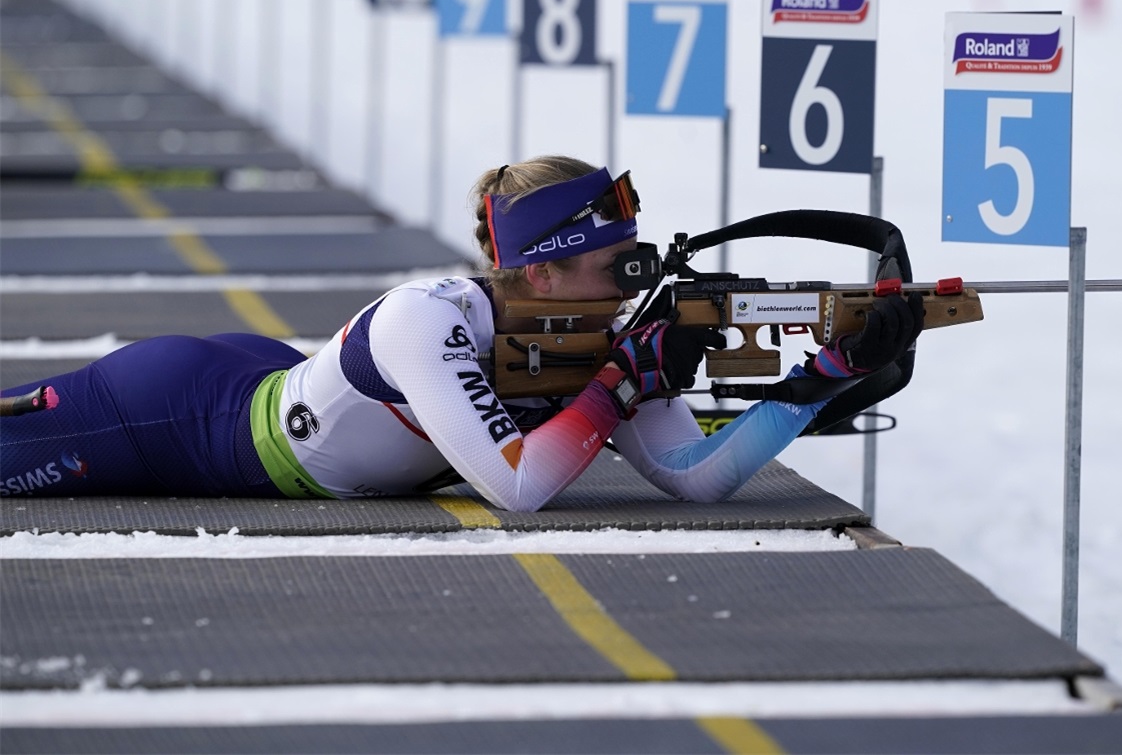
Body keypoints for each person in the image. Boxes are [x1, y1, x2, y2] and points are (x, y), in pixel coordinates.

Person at [0, 155, 923, 510]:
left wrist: (830, 371)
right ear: (541, 273)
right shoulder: (422, 319)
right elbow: (519, 486)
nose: (633, 282)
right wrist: (624, 384)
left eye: (637, 258)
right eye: (616, 265)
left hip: (277, 378)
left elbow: (699, 479)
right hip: (182, 416)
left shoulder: (588, 340)